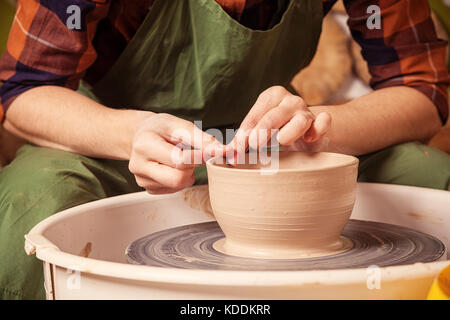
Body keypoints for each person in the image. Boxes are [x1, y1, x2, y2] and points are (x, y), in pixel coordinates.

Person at [0, 0, 449, 300]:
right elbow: (22, 91)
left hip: (276, 140)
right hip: (117, 138)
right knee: (35, 200)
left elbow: (422, 84)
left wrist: (317, 128)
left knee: (429, 176)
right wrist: (128, 131)